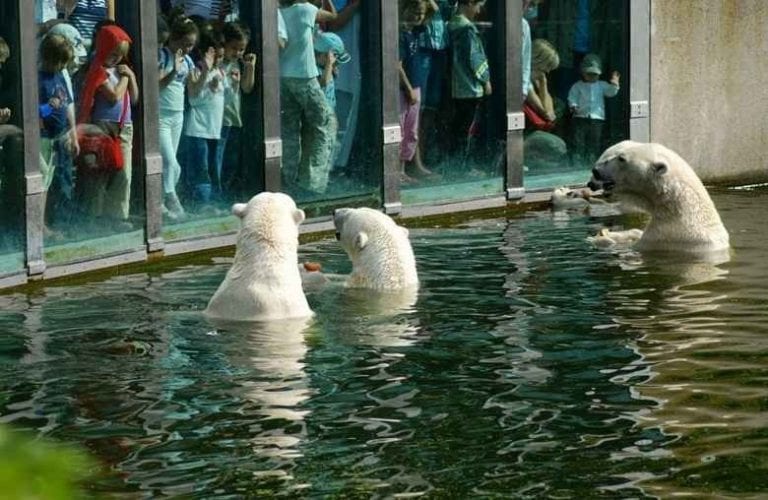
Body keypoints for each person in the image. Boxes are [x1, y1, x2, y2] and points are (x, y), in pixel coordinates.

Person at [77, 24, 138, 225]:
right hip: (103, 127)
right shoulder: (98, 70)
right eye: (112, 54)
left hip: (124, 126)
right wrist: (126, 78)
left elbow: (134, 98)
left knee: (123, 173)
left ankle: (118, 215)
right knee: (100, 173)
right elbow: (113, 97)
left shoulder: (122, 70)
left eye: (119, 55)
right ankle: (94, 215)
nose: (116, 59)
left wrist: (132, 77)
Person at [278, 0, 338, 195]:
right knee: (326, 122)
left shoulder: (280, 12)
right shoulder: (307, 9)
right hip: (304, 75)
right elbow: (332, 16)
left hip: (284, 76)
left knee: (289, 130)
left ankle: (287, 178)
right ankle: (313, 182)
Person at [181, 30, 228, 208]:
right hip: (198, 129)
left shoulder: (220, 72)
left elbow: (223, 100)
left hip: (214, 129)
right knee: (200, 170)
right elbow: (194, 99)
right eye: (216, 56)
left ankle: (212, 203)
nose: (218, 60)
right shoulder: (195, 71)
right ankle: (200, 204)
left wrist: (228, 85)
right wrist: (206, 75)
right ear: (204, 53)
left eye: (221, 56)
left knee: (213, 168)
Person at [157, 15, 198, 219]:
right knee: (171, 163)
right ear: (173, 40)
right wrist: (174, 69)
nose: (188, 49)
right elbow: (156, 86)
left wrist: (204, 75)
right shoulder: (162, 55)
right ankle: (171, 198)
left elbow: (193, 91)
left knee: (170, 164)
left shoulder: (188, 60)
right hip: (161, 116)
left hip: (177, 115)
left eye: (191, 45)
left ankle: (161, 204)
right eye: (185, 44)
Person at [38, 33, 79, 238]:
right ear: (49, 58)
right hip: (43, 137)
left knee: (55, 180)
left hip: (60, 136)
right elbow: (33, 113)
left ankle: (52, 222)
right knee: (42, 181)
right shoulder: (38, 79)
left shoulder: (60, 76)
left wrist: (73, 133)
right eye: (60, 62)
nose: (63, 66)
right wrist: (47, 108)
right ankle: (39, 226)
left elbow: (67, 104)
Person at [447, 0, 491, 169]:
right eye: (478, 6)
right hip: (470, 87)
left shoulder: (452, 24)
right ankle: (462, 165)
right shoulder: (467, 29)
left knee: (458, 127)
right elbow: (474, 58)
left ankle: (456, 163)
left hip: (457, 85)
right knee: (467, 128)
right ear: (470, 3)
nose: (479, 11)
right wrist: (485, 79)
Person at [217, 21, 256, 199]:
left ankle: (225, 190)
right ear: (224, 44)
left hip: (234, 118)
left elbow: (247, 88)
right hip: (219, 119)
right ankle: (217, 193)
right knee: (218, 159)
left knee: (230, 160)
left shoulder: (238, 64)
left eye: (241, 49)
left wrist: (250, 68)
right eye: (234, 48)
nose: (238, 53)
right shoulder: (218, 64)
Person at [398, 0, 434, 184]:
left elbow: (432, 12)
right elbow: (398, 66)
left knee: (412, 131)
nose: (418, 17)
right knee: (401, 129)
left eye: (420, 13)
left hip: (416, 87)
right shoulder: (400, 34)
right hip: (406, 89)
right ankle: (397, 170)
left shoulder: (415, 31)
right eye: (415, 12)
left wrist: (423, 7)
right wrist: (408, 88)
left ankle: (403, 168)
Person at [567, 53, 619, 166]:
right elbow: (572, 97)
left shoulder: (602, 85)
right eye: (589, 74)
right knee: (578, 139)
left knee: (594, 139)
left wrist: (615, 84)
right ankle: (578, 158)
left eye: (594, 74)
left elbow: (611, 93)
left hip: (597, 117)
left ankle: (592, 158)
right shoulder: (578, 86)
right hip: (581, 116)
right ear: (583, 73)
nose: (592, 77)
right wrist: (573, 105)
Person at [314, 30, 349, 184]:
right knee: (320, 146)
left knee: (331, 145)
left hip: (329, 111)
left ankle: (326, 175)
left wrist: (332, 67)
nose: (336, 63)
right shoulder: (314, 69)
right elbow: (323, 83)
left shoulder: (328, 67)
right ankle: (319, 178)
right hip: (319, 115)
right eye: (335, 59)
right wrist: (329, 64)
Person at [524, 38, 560, 130]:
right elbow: (546, 113)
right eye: (547, 66)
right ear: (538, 60)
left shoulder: (537, 77)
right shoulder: (524, 77)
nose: (547, 71)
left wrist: (543, 83)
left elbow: (549, 111)